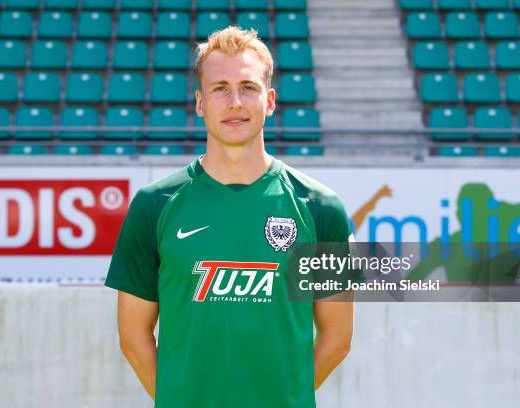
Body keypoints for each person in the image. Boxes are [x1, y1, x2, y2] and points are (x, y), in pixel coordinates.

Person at [105, 26, 355, 408]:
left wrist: (282, 399)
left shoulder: (321, 208)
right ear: (200, 103)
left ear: (270, 100)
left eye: (248, 87)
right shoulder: (154, 204)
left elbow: (337, 338)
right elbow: (133, 336)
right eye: (220, 88)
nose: (235, 101)